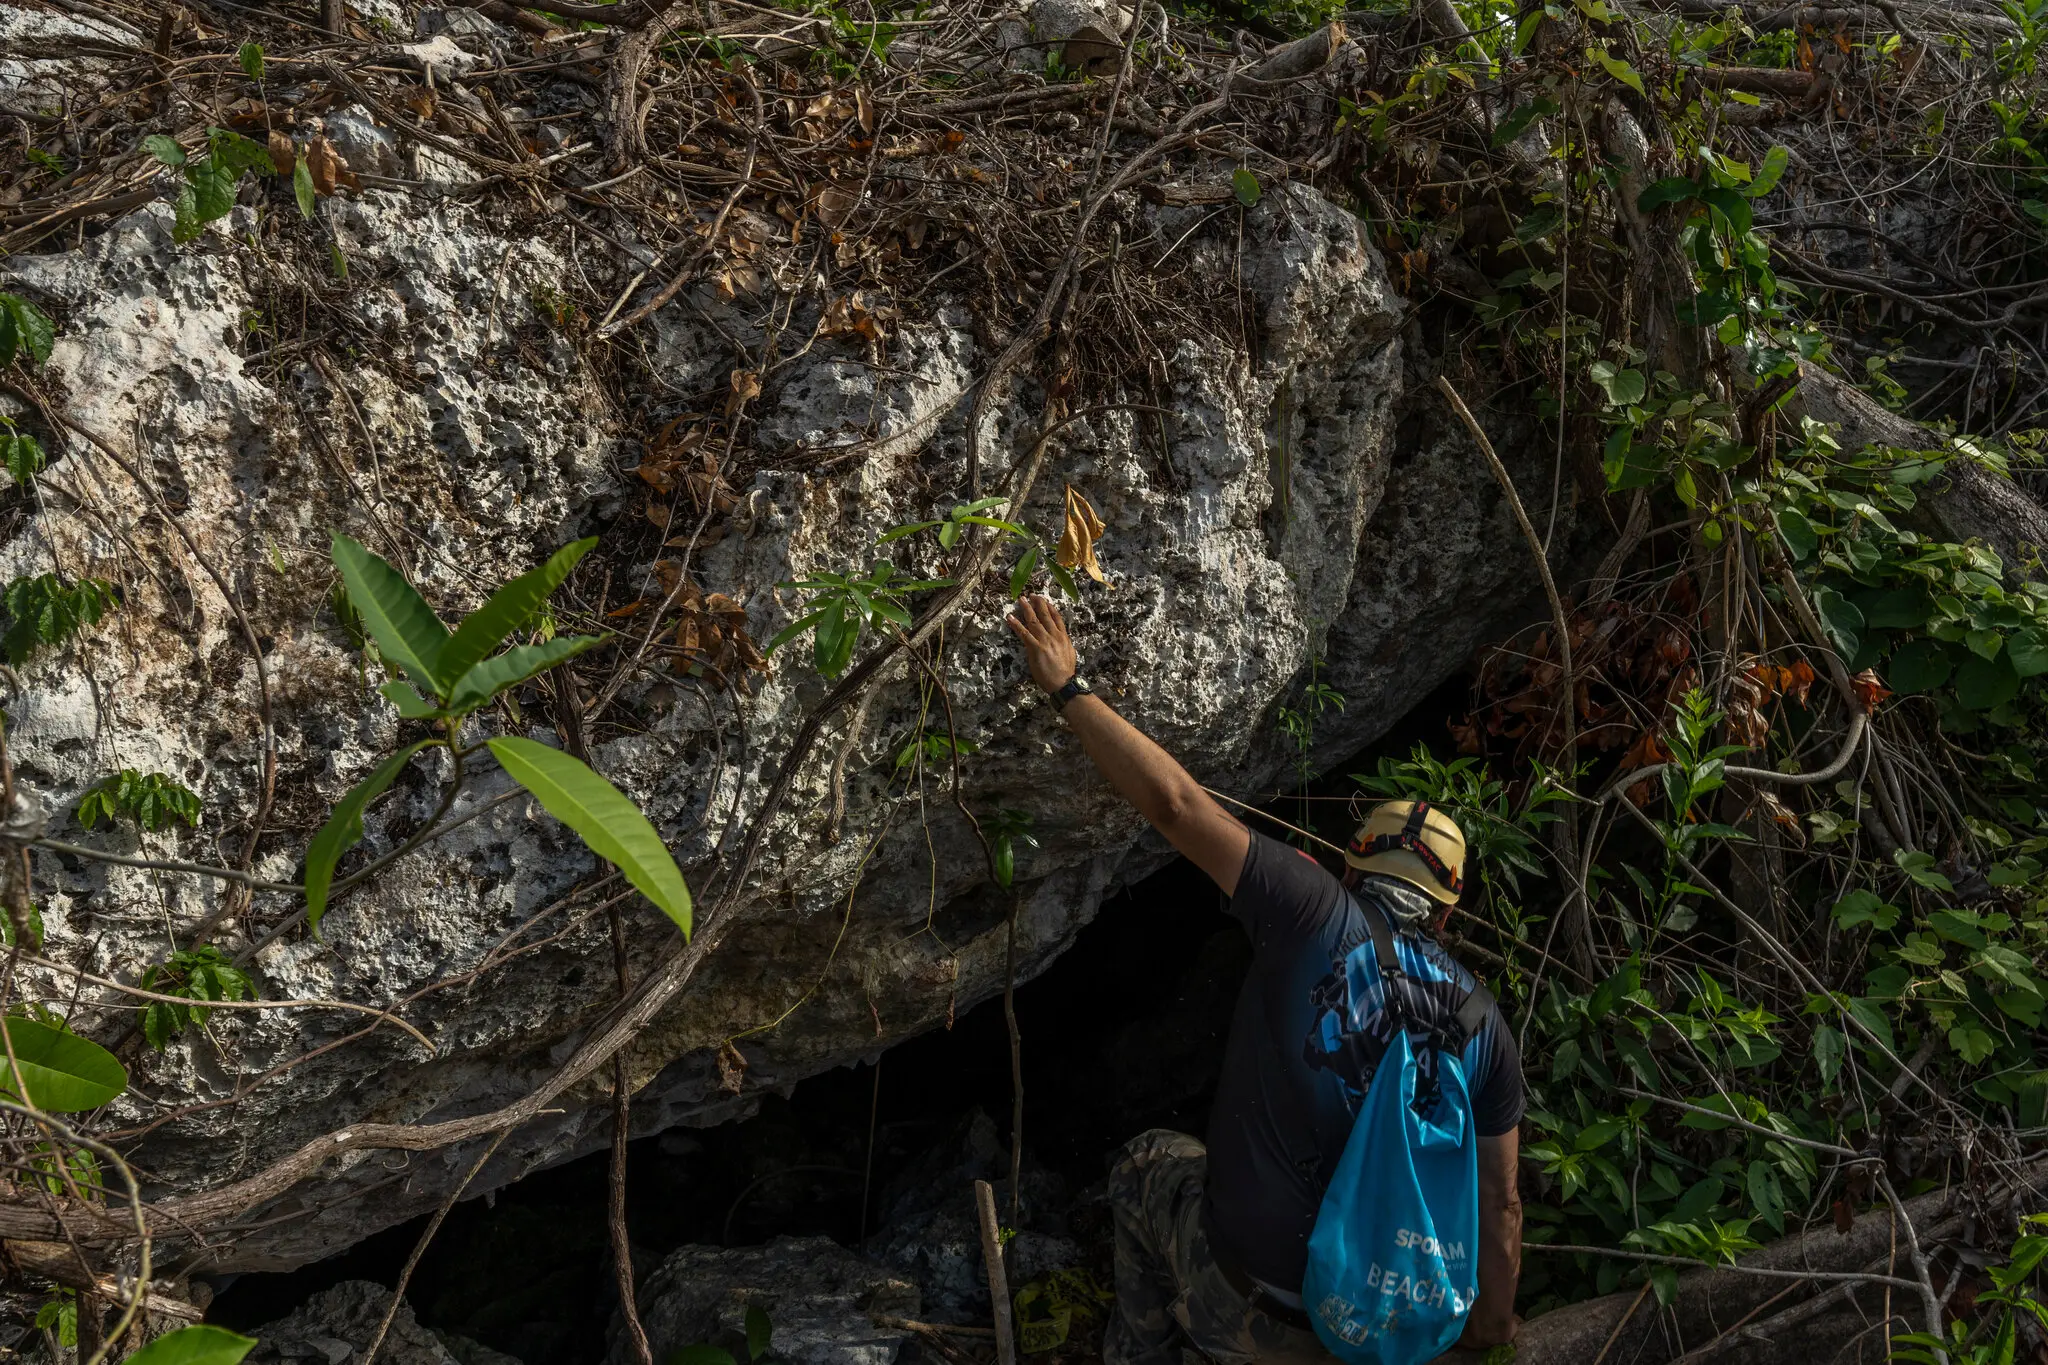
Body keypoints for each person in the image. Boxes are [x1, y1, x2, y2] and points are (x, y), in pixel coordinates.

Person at [1004, 595, 1526, 1365]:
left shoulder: (1311, 907)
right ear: (1446, 914)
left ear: (1352, 865)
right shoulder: (1486, 1028)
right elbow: (1501, 1202)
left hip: (1250, 1310)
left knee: (1146, 1162)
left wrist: (1068, 686)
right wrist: (1487, 1332)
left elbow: (1176, 804)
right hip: (1370, 1330)